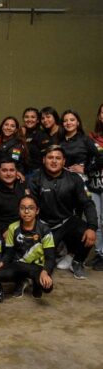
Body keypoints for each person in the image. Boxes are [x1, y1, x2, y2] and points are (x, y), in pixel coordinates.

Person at [28, 145, 97, 279]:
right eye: (50, 157)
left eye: (58, 158)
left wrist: (92, 227)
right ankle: (59, 251)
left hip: (66, 222)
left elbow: (87, 203)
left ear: (64, 161)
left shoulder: (74, 179)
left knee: (86, 232)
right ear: (44, 160)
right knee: (44, 265)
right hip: (43, 225)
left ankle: (76, 261)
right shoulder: (35, 179)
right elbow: (31, 207)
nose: (54, 161)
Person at [0, 195, 55, 299]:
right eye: (23, 208)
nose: (26, 212)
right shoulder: (13, 227)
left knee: (47, 287)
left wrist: (45, 273)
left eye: (31, 208)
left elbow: (50, 257)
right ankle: (22, 280)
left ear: (37, 211)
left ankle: (35, 282)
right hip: (19, 265)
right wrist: (2, 262)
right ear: (19, 210)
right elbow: (9, 252)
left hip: (38, 267)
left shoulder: (45, 230)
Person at [59, 109, 102, 179]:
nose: (68, 123)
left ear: (78, 123)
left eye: (72, 120)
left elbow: (101, 157)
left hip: (81, 180)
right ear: (62, 124)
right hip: (63, 180)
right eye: (65, 121)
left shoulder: (85, 139)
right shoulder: (59, 142)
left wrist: (86, 169)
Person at [87, 103, 103, 271]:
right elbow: (89, 160)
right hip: (94, 184)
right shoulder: (92, 137)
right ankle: (99, 254)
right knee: (96, 221)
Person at [0, 116, 27, 181]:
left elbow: (13, 161)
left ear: (16, 130)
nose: (8, 128)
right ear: (2, 126)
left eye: (12, 126)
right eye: (6, 125)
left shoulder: (18, 144)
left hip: (13, 176)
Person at [22, 107, 49, 178]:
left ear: (37, 120)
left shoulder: (42, 135)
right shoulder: (20, 133)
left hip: (36, 172)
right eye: (26, 117)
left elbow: (46, 156)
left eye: (33, 117)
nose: (29, 119)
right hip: (20, 170)